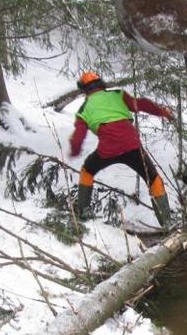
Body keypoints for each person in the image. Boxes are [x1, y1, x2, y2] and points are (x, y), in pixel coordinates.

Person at [68, 71, 174, 228]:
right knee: (153, 179)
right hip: (132, 145)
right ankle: (167, 222)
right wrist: (163, 112)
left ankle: (84, 213)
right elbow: (141, 104)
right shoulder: (118, 94)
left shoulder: (83, 109)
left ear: (84, 90)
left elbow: (78, 137)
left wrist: (74, 151)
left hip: (107, 149)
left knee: (87, 171)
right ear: (101, 84)